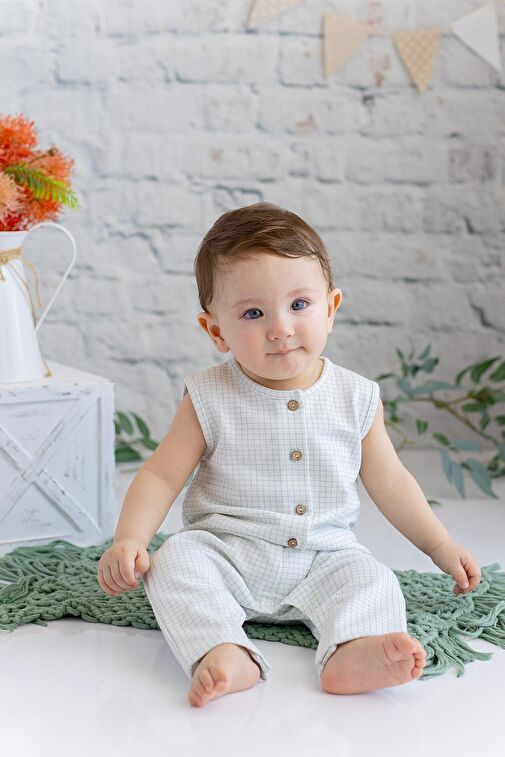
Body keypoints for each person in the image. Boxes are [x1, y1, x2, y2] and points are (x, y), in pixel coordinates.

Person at [97, 202, 482, 708]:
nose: (280, 328)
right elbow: (161, 477)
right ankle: (222, 649)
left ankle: (353, 651)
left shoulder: (356, 397)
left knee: (372, 579)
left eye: (299, 304)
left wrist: (439, 545)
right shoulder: (208, 396)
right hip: (227, 552)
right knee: (173, 564)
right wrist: (131, 538)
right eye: (253, 313)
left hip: (324, 558)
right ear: (216, 331)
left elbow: (391, 481)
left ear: (331, 308)